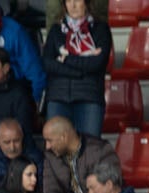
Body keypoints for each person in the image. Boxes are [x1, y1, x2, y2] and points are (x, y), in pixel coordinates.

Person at [41, 0, 111, 133]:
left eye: (77, 0)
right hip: (58, 97)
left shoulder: (100, 29)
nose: (72, 5)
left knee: (89, 148)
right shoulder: (56, 30)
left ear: (87, 3)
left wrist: (65, 58)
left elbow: (97, 64)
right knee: (57, 149)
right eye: (68, 1)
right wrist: (82, 64)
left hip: (89, 96)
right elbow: (48, 64)